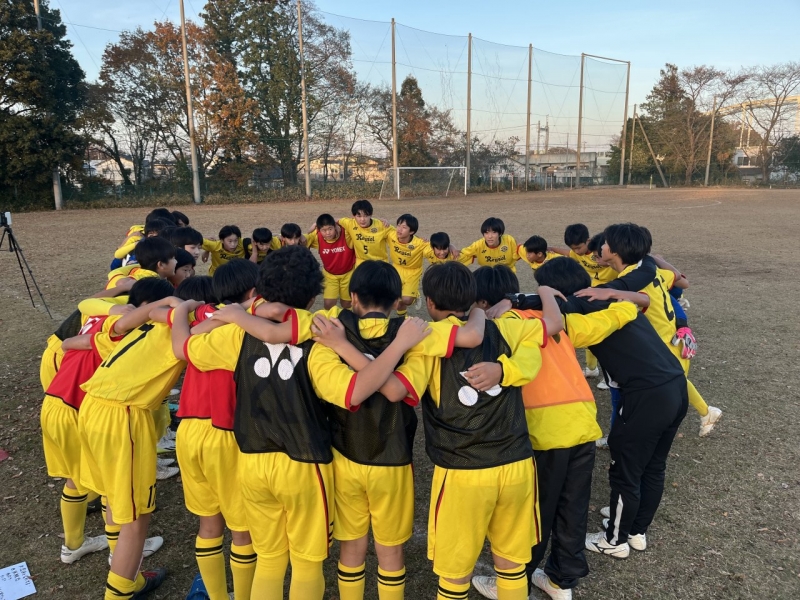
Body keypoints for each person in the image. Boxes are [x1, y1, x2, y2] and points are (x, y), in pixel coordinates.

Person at [176, 246, 431, 600]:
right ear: (313, 296)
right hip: (304, 464)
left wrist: (237, 312)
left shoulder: (238, 332)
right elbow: (355, 391)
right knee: (307, 564)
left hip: (252, 461)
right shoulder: (320, 335)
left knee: (269, 559)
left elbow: (185, 347)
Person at [308, 261, 485, 600]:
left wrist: (343, 346)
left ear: (352, 296)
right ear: (396, 301)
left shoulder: (328, 332)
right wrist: (477, 310)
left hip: (344, 456)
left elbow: (351, 392)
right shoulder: (415, 334)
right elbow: (468, 337)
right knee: (390, 552)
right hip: (393, 460)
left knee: (352, 547)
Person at [470, 265, 643, 600]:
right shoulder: (557, 320)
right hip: (581, 426)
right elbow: (605, 321)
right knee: (572, 508)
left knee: (534, 514)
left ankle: (514, 582)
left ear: (484, 302)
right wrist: (627, 306)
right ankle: (561, 581)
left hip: (544, 432)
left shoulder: (499, 326)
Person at [397, 261, 563, 600]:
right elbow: (553, 325)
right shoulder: (509, 329)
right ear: (473, 299)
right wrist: (506, 367)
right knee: (512, 566)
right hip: (516, 465)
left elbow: (399, 387)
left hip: (462, 472)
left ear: (430, 303)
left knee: (454, 574)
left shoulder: (426, 340)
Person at [505, 256, 688, 560]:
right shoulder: (614, 302)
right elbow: (640, 300)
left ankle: (614, 540)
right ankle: (636, 530)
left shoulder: (576, 319)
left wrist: (515, 300)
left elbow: (551, 320)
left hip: (646, 396)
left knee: (626, 467)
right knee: (654, 465)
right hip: (676, 385)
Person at [78, 277, 201, 599]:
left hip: (92, 407)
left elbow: (115, 320)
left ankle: (125, 574)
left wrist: (167, 307)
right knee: (136, 516)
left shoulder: (143, 323)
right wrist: (191, 310)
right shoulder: (187, 328)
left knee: (113, 494)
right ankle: (121, 591)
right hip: (123, 417)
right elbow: (193, 340)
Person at [41, 279, 176, 567]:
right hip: (78, 408)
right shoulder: (125, 329)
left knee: (76, 480)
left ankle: (73, 544)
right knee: (110, 485)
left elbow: (76, 328)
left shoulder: (101, 315)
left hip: (54, 403)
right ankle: (121, 553)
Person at [167, 262, 258, 600]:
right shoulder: (248, 328)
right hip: (223, 431)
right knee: (242, 530)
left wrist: (184, 310)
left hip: (188, 431)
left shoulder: (201, 316)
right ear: (254, 292)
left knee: (209, 524)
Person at [576, 223, 721, 437]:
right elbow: (680, 279)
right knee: (676, 385)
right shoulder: (647, 271)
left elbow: (640, 300)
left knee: (673, 387)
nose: (601, 248)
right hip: (674, 340)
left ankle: (705, 412)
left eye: (605, 244)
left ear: (614, 251)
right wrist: (654, 259)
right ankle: (703, 413)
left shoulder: (634, 281)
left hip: (664, 347)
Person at [306, 214, 356, 310]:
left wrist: (381, 221)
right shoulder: (317, 237)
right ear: (319, 230)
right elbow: (303, 240)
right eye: (324, 230)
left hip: (348, 274)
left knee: (346, 304)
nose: (328, 233)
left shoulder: (346, 233)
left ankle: (346, 319)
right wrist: (310, 229)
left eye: (330, 229)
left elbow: (357, 223)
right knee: (328, 304)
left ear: (335, 226)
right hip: (330, 275)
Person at [386, 214, 428, 316]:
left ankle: (415, 294)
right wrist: (383, 220)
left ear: (411, 232)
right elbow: (376, 226)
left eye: (404, 227)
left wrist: (450, 246)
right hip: (396, 268)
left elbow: (437, 248)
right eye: (398, 225)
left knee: (407, 300)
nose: (399, 229)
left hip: (412, 272)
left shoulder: (420, 243)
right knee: (395, 300)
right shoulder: (391, 235)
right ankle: (402, 319)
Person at [105, 237, 177, 293]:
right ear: (160, 264)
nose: (176, 262)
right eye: (173, 258)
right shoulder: (154, 286)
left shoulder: (137, 272)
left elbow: (114, 274)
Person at [338, 200, 393, 264]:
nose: (362, 219)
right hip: (361, 263)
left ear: (371, 215)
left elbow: (397, 236)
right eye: (359, 216)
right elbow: (333, 221)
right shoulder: (350, 224)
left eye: (366, 216)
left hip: (380, 263)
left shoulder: (382, 225)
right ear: (353, 216)